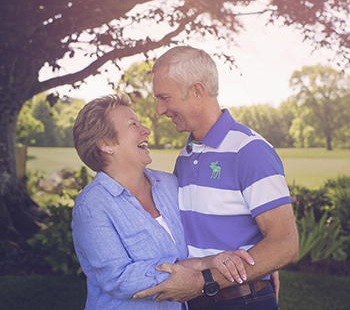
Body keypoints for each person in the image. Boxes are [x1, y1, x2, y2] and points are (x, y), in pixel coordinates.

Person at [133, 46, 299, 310]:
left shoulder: (250, 150)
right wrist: (258, 263)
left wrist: (204, 281)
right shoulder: (186, 156)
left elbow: (285, 245)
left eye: (165, 98)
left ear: (197, 92)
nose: (159, 109)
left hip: (241, 302)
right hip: (195, 302)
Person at [72, 94, 255, 309]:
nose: (146, 130)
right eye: (133, 124)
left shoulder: (169, 184)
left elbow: (208, 221)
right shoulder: (91, 206)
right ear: (106, 144)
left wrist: (257, 261)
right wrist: (197, 277)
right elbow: (118, 277)